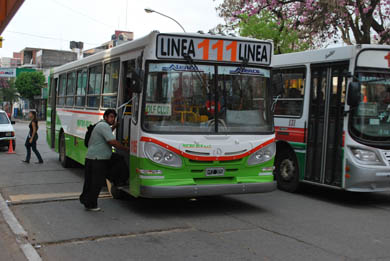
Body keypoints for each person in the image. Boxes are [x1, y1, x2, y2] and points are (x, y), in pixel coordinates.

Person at [79, 109, 129, 212]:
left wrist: (114, 127)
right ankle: (92, 204)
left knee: (90, 182)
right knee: (96, 183)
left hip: (92, 158)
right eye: (110, 117)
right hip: (98, 159)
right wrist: (126, 149)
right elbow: (112, 141)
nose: (112, 119)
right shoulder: (104, 126)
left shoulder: (101, 126)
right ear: (105, 117)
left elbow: (106, 135)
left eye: (113, 117)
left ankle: (87, 201)